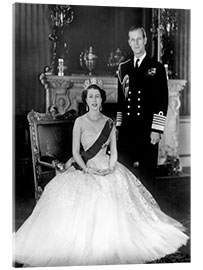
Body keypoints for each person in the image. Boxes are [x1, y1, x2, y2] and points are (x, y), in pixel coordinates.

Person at [13, 78, 188, 267]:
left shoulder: (109, 123)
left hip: (106, 166)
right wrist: (87, 169)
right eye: (90, 97)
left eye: (97, 96)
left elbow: (114, 152)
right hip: (85, 167)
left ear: (102, 99)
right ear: (86, 100)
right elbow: (74, 153)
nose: (94, 100)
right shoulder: (79, 122)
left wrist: (110, 168)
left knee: (116, 193)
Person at [116, 26, 168, 195]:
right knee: (123, 173)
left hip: (147, 130)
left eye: (139, 39)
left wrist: (157, 129)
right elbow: (120, 101)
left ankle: (148, 213)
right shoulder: (123, 68)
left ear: (145, 40)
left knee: (147, 176)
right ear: (129, 42)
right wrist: (118, 127)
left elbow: (162, 101)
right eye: (132, 39)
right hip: (127, 130)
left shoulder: (156, 67)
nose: (136, 43)